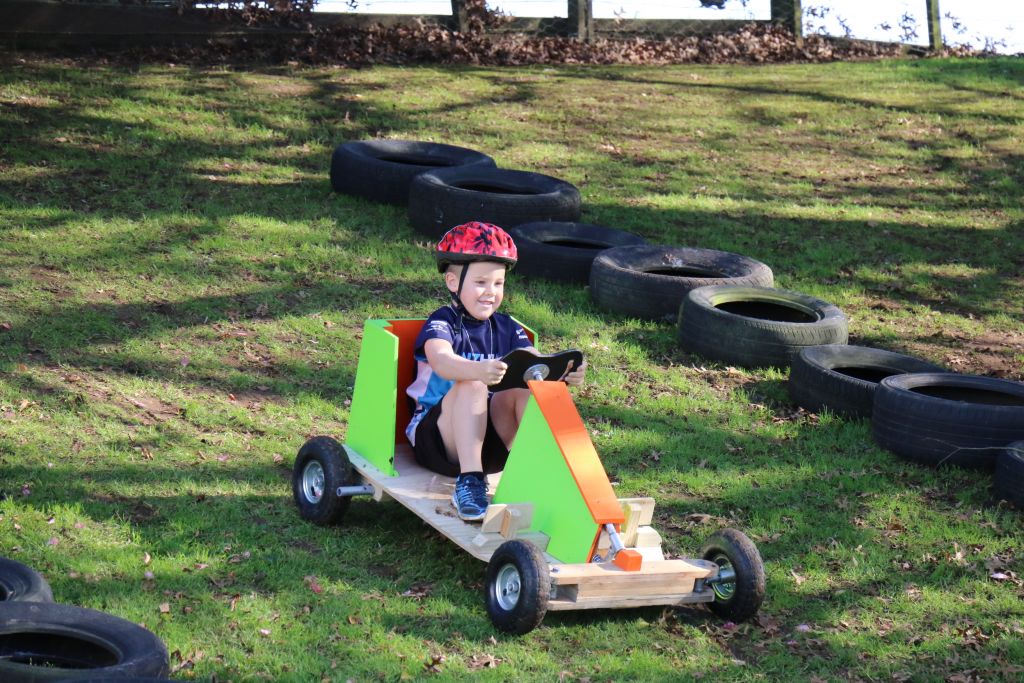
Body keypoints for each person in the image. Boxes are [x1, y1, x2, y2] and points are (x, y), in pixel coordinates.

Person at [405, 222, 587, 521]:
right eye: (481, 282)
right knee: (472, 383)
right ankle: (469, 483)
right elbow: (441, 360)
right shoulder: (442, 322)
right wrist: (477, 370)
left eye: (498, 283)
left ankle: (539, 471)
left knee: (526, 388)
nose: (490, 292)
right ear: (453, 281)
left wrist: (563, 372)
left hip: (491, 446)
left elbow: (534, 361)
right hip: (438, 442)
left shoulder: (507, 326)